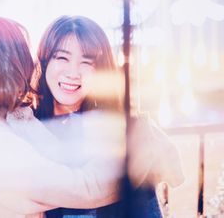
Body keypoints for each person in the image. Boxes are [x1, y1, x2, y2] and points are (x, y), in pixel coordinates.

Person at [0, 15, 126, 218]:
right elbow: (85, 189)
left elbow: (60, 157)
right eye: (22, 53)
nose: (32, 62)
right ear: (4, 66)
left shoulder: (2, 125)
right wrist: (137, 161)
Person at [32, 15, 184, 218]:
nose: (73, 72)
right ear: (44, 61)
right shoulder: (24, 129)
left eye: (87, 62)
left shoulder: (122, 137)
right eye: (62, 58)